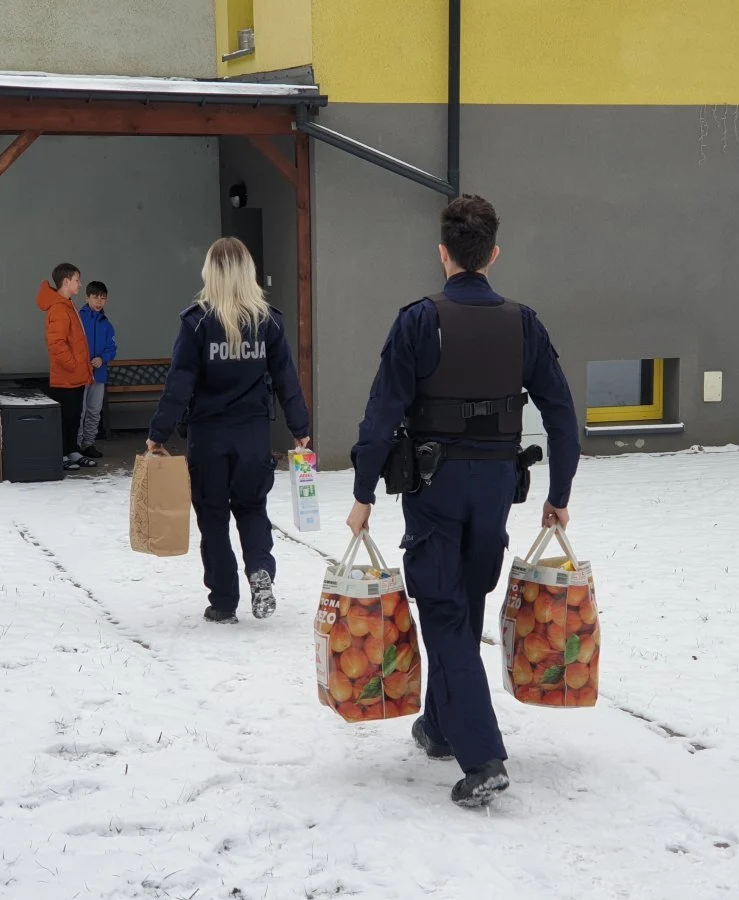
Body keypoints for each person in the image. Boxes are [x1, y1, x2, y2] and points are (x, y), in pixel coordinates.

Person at [346, 194, 580, 808]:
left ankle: (482, 756)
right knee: (464, 595)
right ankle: (441, 725)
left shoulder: (419, 322)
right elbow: (561, 413)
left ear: (443, 253)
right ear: (493, 255)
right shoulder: (524, 323)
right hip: (497, 486)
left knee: (445, 610)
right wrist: (559, 493)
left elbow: (381, 415)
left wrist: (363, 491)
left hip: (436, 486)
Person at [147, 237, 311, 624]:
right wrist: (300, 428)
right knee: (253, 509)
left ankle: (223, 601)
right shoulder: (268, 321)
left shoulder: (197, 322)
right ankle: (260, 571)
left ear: (211, 273)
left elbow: (179, 383)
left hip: (209, 438)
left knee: (214, 519)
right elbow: (286, 379)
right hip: (253, 438)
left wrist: (158, 432)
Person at [36, 263, 96, 471]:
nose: (80, 284)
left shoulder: (67, 304)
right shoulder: (60, 308)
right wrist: (73, 365)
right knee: (66, 417)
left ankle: (72, 450)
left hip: (75, 375)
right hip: (66, 376)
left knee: (74, 415)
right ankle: (61, 454)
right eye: (77, 280)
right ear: (66, 281)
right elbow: (56, 343)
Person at [77, 281, 118, 458]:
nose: (99, 302)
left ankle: (89, 443)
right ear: (87, 298)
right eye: (95, 297)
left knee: (94, 410)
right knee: (80, 410)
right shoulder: (78, 318)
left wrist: (102, 359)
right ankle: (75, 444)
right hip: (80, 373)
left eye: (103, 298)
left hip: (99, 374)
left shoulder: (107, 325)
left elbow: (112, 348)